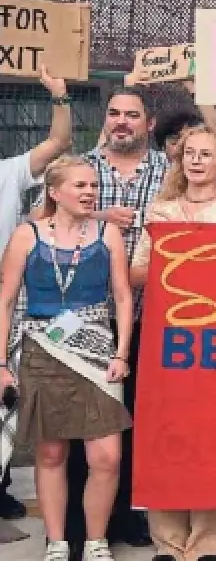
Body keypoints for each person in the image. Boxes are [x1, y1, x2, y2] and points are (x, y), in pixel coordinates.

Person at [128, 124, 216, 561]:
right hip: (167, 340)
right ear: (180, 161)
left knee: (214, 434)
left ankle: (211, 541)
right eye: (190, 153)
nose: (197, 161)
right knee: (166, 432)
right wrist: (175, 255)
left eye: (206, 154)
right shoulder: (160, 211)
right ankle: (167, 540)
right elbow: (135, 273)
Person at [0, 156, 134, 561]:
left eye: (93, 185)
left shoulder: (109, 233)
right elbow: (5, 301)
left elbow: (122, 296)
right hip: (42, 352)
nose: (90, 192)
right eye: (80, 185)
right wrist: (1, 364)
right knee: (51, 453)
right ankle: (57, 543)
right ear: (54, 192)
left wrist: (122, 352)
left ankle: (96, 542)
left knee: (107, 457)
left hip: (97, 352)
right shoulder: (27, 235)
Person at [70, 87, 171, 553]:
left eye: (132, 114)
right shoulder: (80, 169)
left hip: (153, 316)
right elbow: (42, 216)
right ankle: (82, 525)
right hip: (88, 317)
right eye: (114, 113)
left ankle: (130, 515)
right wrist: (97, 213)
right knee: (86, 423)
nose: (122, 121)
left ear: (149, 123)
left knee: (140, 419)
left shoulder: (170, 172)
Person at [0, 65, 72, 521]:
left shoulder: (9, 172)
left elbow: (58, 143)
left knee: (3, 398)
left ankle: (1, 485)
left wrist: (58, 94)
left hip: (4, 296)